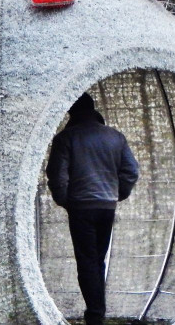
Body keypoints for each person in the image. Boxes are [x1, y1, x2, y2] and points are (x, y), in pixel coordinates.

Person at [46, 93, 139, 325]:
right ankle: (97, 311)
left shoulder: (66, 138)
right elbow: (131, 171)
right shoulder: (115, 137)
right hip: (107, 205)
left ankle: (95, 315)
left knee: (87, 260)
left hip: (81, 205)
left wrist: (65, 200)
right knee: (98, 259)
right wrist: (117, 195)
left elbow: (57, 175)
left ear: (71, 111)